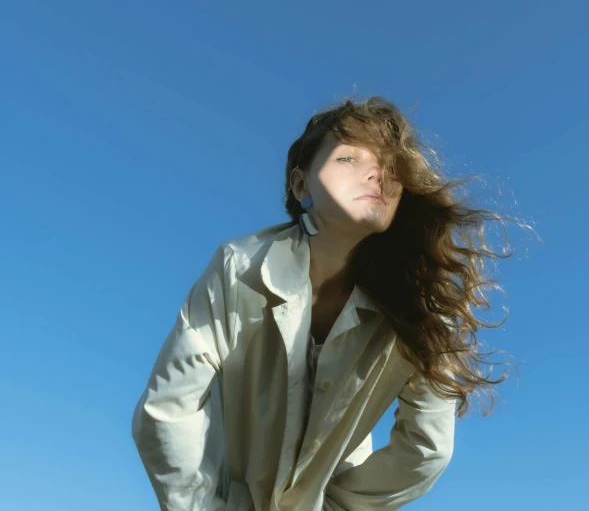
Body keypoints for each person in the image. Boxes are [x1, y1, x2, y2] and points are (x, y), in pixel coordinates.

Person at [131, 95, 524, 511]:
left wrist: (332, 507)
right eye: (349, 158)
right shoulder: (239, 266)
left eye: (390, 167)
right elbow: (168, 412)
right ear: (301, 185)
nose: (376, 173)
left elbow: (426, 451)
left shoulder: (423, 308)